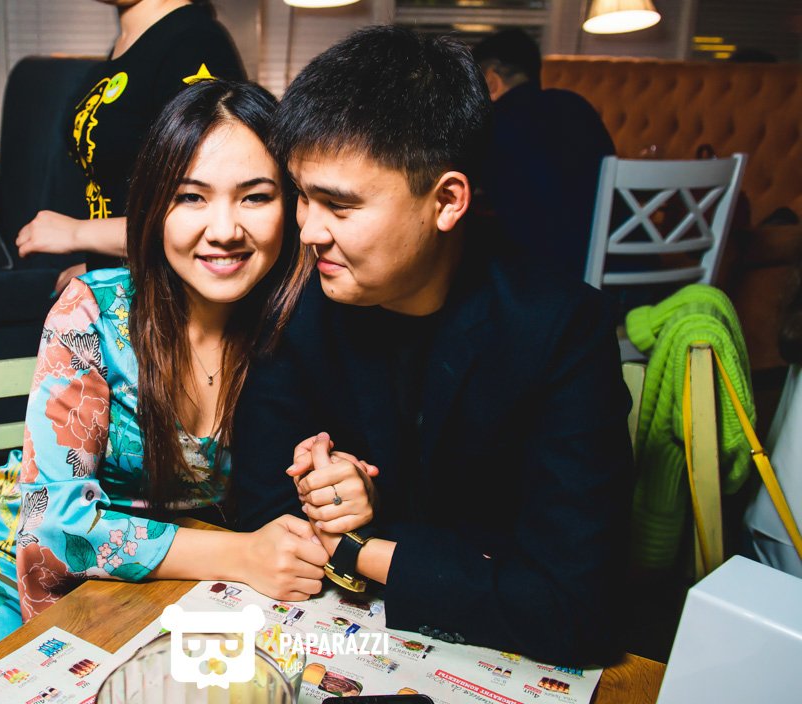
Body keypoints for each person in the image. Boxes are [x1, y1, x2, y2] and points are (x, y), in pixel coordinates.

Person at [0, 80, 374, 700]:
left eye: (255, 197)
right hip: (3, 566)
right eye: (191, 197)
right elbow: (57, 526)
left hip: (174, 589)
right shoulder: (91, 314)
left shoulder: (304, 327)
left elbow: (314, 479)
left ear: (292, 207)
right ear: (155, 207)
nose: (224, 229)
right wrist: (242, 556)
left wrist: (343, 487)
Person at [231, 26, 633, 666]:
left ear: (446, 201)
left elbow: (578, 607)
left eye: (339, 205)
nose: (308, 231)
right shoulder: (299, 307)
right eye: (302, 196)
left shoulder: (560, 329)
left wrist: (362, 544)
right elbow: (261, 516)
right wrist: (337, 504)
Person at [15, 0, 246, 291]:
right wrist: (100, 266)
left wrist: (77, 233)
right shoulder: (133, 42)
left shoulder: (194, 43)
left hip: (172, 296)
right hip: (135, 276)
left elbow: (206, 213)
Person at [471, 28, 615, 281]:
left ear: (491, 80)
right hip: (617, 268)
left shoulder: (492, 124)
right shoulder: (577, 106)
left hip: (550, 280)